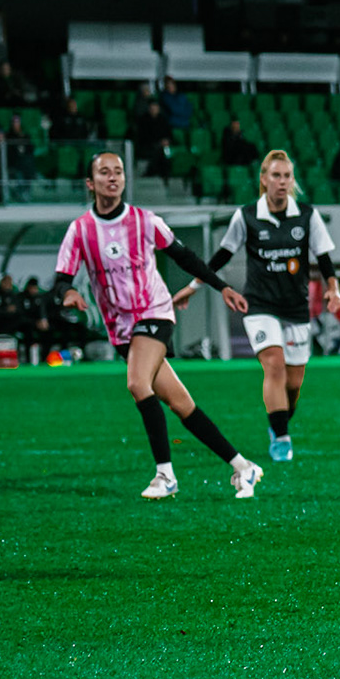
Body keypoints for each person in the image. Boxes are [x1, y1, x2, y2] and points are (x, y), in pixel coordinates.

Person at [50, 151, 262, 500]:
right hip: (120, 327)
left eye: (118, 171)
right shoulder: (81, 231)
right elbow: (60, 279)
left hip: (154, 312)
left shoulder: (145, 221)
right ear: (91, 183)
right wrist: (69, 291)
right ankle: (243, 466)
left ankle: (165, 475)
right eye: (104, 172)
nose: (113, 177)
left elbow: (185, 256)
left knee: (136, 383)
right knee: (181, 404)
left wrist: (221, 286)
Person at [178, 149, 340, 463]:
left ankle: (277, 422)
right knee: (274, 366)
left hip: (295, 309)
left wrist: (335, 291)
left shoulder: (307, 215)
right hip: (260, 306)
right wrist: (193, 287)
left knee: (293, 385)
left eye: (287, 176)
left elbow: (325, 260)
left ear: (293, 181)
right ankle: (281, 438)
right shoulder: (247, 216)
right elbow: (221, 257)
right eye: (276, 176)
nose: (282, 182)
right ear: (263, 180)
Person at [2, 113, 37, 200]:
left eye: (17, 122)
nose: (15, 124)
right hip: (13, 161)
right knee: (23, 165)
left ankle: (26, 190)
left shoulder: (26, 136)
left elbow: (30, 149)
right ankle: (21, 191)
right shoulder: (8, 136)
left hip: (25, 161)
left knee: (28, 162)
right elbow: (8, 152)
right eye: (14, 122)